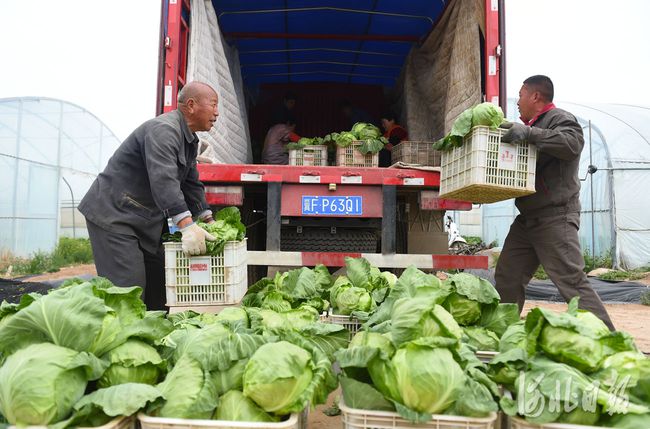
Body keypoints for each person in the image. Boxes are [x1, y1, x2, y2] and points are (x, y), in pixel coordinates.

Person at [79, 81, 219, 310]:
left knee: (159, 286)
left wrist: (208, 220)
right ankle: (117, 340)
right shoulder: (163, 130)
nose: (217, 112)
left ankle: (152, 340)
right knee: (128, 290)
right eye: (213, 104)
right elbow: (163, 179)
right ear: (191, 105)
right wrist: (186, 225)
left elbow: (191, 184)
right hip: (116, 215)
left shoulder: (190, 140)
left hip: (142, 219)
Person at [495, 75, 615, 330]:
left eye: (521, 95)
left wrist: (528, 133)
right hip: (528, 219)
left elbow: (572, 144)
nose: (518, 102)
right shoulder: (535, 125)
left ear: (535, 96)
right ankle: (502, 334)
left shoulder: (559, 118)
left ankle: (611, 342)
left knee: (571, 281)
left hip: (555, 216)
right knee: (508, 275)